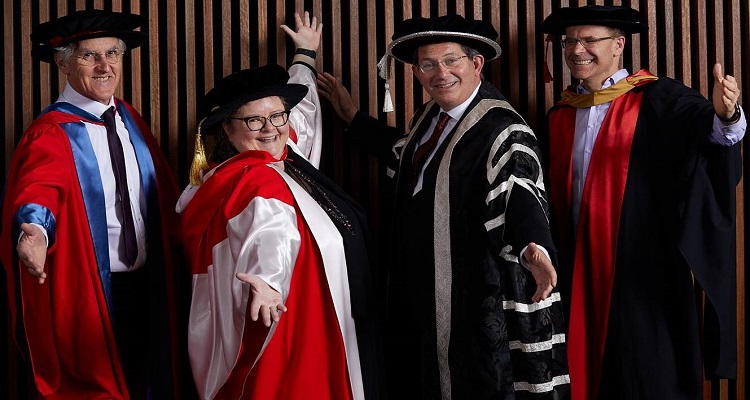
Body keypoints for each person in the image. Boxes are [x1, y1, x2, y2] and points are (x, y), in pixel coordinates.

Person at [318, 14, 569, 399]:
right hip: (424, 292)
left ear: (476, 63)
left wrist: (533, 246)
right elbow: (403, 156)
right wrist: (354, 119)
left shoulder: (502, 128)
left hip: (469, 298)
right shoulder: (430, 118)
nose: (440, 73)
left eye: (451, 60)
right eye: (428, 64)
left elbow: (520, 193)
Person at [540, 5, 746, 400]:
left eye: (589, 40)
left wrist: (726, 115)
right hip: (575, 265)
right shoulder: (560, 114)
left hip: (640, 266)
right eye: (570, 41)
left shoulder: (658, 97)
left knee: (643, 371)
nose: (576, 49)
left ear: (618, 45)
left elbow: (712, 137)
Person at [176, 13, 384, 400]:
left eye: (277, 115)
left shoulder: (283, 156)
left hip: (321, 318)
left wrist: (304, 55)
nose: (271, 128)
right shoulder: (252, 177)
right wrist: (268, 280)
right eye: (254, 120)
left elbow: (302, 115)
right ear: (228, 128)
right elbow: (270, 229)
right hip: (289, 324)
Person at [0, 9, 191, 400]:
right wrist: (34, 231)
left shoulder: (129, 120)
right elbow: (39, 188)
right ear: (63, 63)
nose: (105, 66)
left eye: (113, 54)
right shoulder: (51, 133)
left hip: (150, 285)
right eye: (89, 56)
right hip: (94, 292)